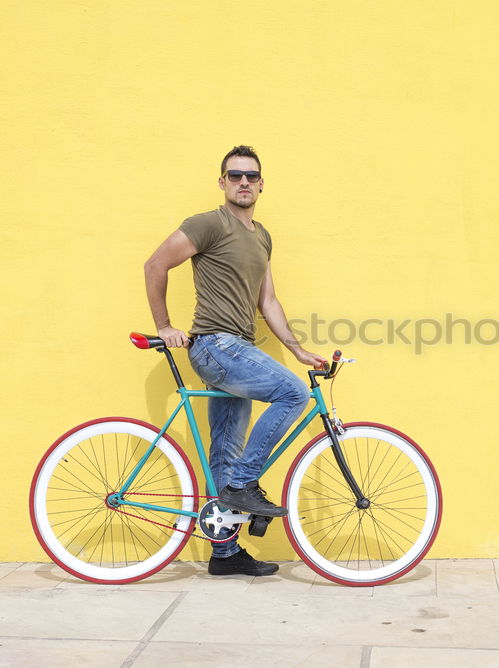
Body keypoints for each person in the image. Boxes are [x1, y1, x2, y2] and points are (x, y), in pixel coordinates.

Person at [143, 145, 326, 576]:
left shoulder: (261, 236)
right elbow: (155, 264)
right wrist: (165, 324)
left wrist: (298, 348)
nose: (244, 182)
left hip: (237, 349)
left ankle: (224, 554)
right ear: (222, 182)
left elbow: (269, 299)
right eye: (235, 175)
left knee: (226, 450)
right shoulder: (208, 224)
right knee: (292, 393)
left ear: (261, 184)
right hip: (216, 346)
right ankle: (244, 485)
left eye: (251, 176)